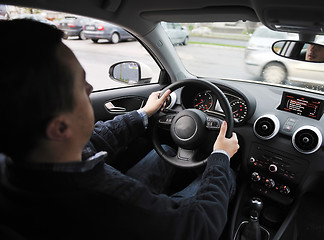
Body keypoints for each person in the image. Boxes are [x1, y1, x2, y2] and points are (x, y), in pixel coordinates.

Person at [0, 19, 239, 240]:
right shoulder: (105, 203)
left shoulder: (19, 164)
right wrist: (219, 157)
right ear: (60, 128)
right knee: (226, 176)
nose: (91, 88)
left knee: (164, 150)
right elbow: (199, 226)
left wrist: (143, 113)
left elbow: (96, 139)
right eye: (81, 85)